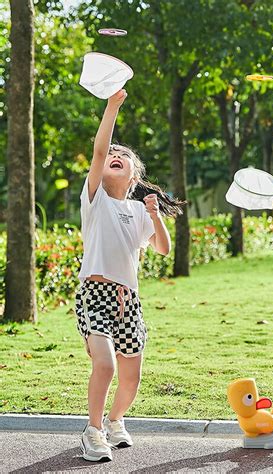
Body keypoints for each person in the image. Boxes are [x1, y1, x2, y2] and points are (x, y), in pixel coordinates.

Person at [76, 89, 184, 462]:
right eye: (113, 156)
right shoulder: (95, 199)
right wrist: (112, 106)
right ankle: (92, 431)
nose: (116, 157)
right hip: (95, 295)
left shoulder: (138, 211)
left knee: (131, 376)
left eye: (125, 157)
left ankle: (115, 420)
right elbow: (99, 151)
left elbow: (163, 249)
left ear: (134, 176)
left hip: (128, 302)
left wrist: (155, 215)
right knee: (104, 364)